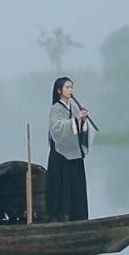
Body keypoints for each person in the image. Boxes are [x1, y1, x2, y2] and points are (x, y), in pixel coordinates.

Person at [45, 77, 95, 222]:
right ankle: (62, 216)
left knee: (76, 186)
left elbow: (79, 130)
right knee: (62, 187)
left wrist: (83, 120)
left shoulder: (74, 107)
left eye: (71, 87)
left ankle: (79, 217)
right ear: (59, 90)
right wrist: (76, 120)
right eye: (67, 87)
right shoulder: (55, 109)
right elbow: (57, 129)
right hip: (60, 154)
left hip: (74, 153)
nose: (70, 90)